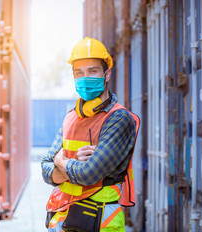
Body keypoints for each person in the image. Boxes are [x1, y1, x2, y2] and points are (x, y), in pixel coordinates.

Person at [41, 37, 140, 232]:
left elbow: (89, 174)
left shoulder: (118, 119)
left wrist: (61, 161)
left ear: (107, 74)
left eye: (92, 71)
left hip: (100, 222)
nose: (85, 78)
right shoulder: (71, 117)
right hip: (63, 219)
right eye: (79, 73)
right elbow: (45, 168)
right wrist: (75, 162)